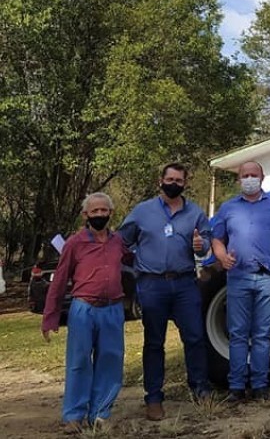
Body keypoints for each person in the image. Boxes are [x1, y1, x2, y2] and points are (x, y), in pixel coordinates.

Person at [119, 163, 212, 420]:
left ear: (185, 183)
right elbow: (121, 242)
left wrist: (200, 245)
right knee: (154, 342)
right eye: (169, 179)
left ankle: (200, 388)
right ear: (160, 181)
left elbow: (205, 248)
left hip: (184, 283)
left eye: (179, 180)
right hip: (152, 284)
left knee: (194, 337)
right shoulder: (142, 211)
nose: (174, 183)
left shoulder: (195, 212)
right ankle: (154, 397)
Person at [212, 161, 270, 402]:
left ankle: (260, 385)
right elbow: (217, 239)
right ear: (238, 180)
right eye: (245, 175)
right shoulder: (228, 208)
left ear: (263, 177)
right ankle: (236, 387)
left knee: (262, 334)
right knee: (238, 334)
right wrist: (221, 255)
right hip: (237, 277)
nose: (249, 179)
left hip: (267, 277)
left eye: (254, 175)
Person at [42, 193, 126, 434]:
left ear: (111, 213)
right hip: (83, 309)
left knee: (110, 361)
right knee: (79, 362)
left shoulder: (118, 241)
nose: (99, 215)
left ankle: (100, 413)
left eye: (104, 211)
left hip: (112, 308)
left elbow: (134, 261)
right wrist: (50, 316)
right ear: (85, 215)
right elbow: (59, 281)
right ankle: (74, 415)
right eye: (94, 211)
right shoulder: (74, 243)